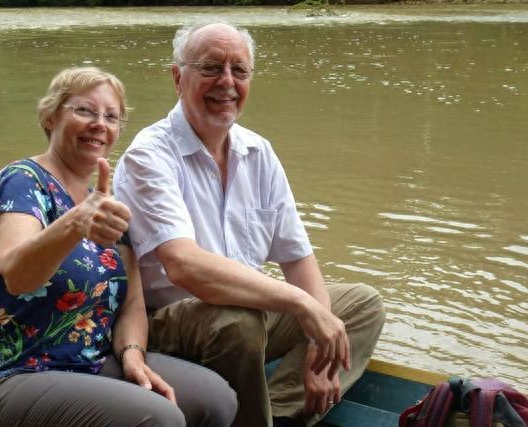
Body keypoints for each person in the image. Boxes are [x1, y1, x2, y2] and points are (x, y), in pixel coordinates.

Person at [113, 23, 386, 427]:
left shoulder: (259, 152)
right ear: (178, 78)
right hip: (168, 324)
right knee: (241, 320)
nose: (227, 82)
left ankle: (277, 414)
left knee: (361, 304)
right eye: (211, 68)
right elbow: (184, 266)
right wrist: (302, 305)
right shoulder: (149, 156)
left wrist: (318, 339)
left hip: (244, 318)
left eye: (238, 70)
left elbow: (298, 259)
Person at [0, 66, 237, 427]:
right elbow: (17, 274)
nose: (99, 124)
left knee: (216, 400)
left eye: (111, 116)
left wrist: (132, 355)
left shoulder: (106, 206)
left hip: (90, 364)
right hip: (8, 376)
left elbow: (132, 305)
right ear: (50, 117)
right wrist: (76, 222)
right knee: (160, 419)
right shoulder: (22, 182)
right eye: (85, 111)